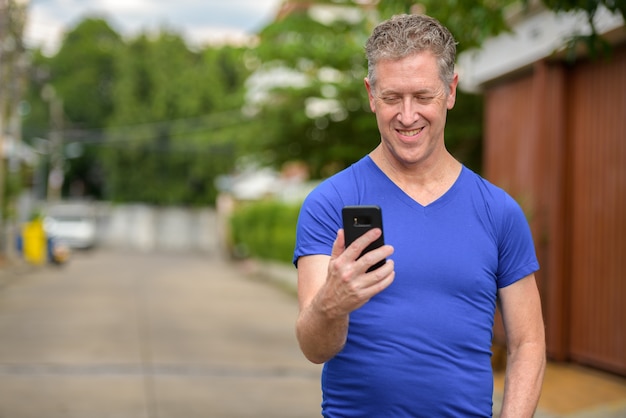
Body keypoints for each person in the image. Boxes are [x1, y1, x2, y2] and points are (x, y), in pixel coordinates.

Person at [293, 13, 546, 417]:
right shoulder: (330, 203)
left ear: (451, 90)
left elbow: (528, 344)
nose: (407, 116)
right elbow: (314, 348)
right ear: (371, 94)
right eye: (392, 97)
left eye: (423, 97)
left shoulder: (498, 212)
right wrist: (331, 303)